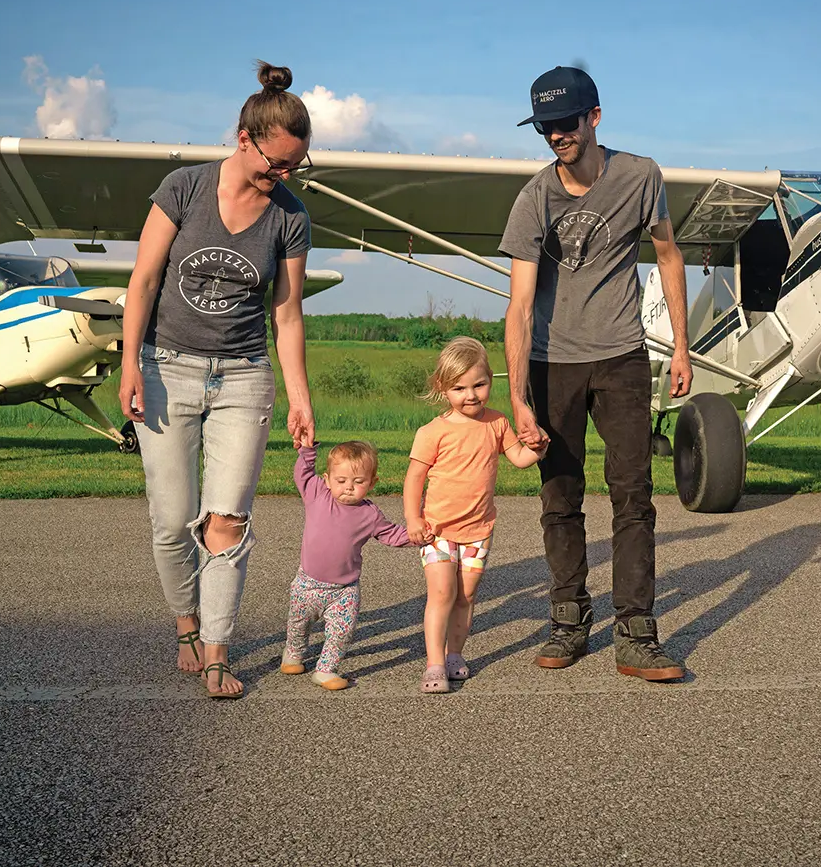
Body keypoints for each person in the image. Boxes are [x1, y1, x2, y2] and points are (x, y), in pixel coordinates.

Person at [119, 61, 315, 700]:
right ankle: (185, 625)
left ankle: (217, 654)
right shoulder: (183, 189)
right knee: (174, 520)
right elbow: (143, 282)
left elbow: (286, 314)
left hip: (244, 378)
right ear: (243, 138)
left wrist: (299, 397)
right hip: (166, 368)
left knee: (226, 521)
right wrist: (128, 366)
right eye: (275, 164)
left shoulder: (290, 215)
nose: (282, 177)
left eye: (294, 167)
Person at [499, 65, 694, 681]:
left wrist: (681, 347)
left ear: (595, 117)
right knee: (560, 497)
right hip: (552, 364)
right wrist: (518, 398)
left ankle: (637, 633)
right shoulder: (535, 198)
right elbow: (521, 304)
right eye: (546, 127)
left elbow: (667, 253)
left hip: (621, 356)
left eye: (566, 123)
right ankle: (568, 620)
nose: (556, 135)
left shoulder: (641, 176)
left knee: (632, 495)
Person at [405, 337, 547, 693]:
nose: (470, 395)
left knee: (466, 597)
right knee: (442, 594)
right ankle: (434, 664)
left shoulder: (497, 423)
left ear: (490, 382)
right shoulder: (433, 431)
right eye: (459, 388)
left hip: (479, 531)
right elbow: (414, 479)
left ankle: (456, 654)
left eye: (479, 385)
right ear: (443, 388)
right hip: (437, 530)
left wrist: (539, 448)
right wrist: (413, 519)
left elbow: (518, 459)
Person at [280, 439, 414, 691]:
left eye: (358, 482)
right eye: (341, 481)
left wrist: (418, 535)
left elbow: (391, 534)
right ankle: (293, 654)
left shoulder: (369, 514)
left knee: (342, 631)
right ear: (328, 479)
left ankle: (325, 669)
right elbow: (303, 474)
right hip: (307, 584)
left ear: (372, 483)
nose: (348, 488)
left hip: (343, 589)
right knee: (298, 625)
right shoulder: (318, 494)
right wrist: (307, 452)